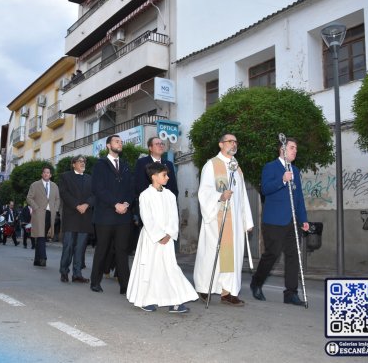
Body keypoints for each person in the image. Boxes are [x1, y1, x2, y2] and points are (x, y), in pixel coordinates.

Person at [127, 163, 198, 313]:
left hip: (167, 239)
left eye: (167, 174)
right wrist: (159, 235)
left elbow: (174, 217)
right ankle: (145, 299)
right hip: (151, 239)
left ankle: (175, 301)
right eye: (164, 175)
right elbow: (147, 218)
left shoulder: (170, 195)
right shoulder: (145, 195)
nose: (168, 177)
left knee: (169, 268)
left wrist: (169, 234)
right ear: (154, 177)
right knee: (150, 269)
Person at [193, 134, 253, 306]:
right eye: (230, 141)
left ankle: (228, 292)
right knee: (212, 255)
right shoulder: (211, 165)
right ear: (221, 144)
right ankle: (205, 288)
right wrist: (220, 196)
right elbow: (203, 193)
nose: (234, 144)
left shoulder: (237, 167)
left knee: (231, 257)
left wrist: (247, 221)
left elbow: (243, 196)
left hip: (234, 223)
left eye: (236, 141)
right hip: (216, 219)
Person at [250, 137, 309, 306]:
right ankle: (257, 282)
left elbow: (299, 197)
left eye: (296, 148)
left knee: (293, 256)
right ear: (282, 149)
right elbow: (265, 189)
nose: (295, 151)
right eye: (292, 147)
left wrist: (303, 219)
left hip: (292, 221)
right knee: (272, 254)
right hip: (274, 221)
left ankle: (290, 293)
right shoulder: (270, 167)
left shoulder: (296, 171)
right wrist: (283, 180)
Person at [90, 135, 133, 294]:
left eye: (121, 142)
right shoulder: (100, 165)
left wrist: (126, 204)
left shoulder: (126, 165)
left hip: (123, 216)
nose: (120, 143)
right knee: (102, 248)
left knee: (122, 251)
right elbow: (98, 189)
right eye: (116, 141)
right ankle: (95, 281)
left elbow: (131, 188)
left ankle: (125, 285)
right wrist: (115, 204)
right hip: (105, 215)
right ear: (108, 145)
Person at [133, 137, 179, 252]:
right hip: (150, 210)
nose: (161, 145)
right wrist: (154, 199)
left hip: (166, 212)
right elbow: (138, 186)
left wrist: (168, 202)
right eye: (157, 144)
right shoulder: (142, 163)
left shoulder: (168, 163)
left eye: (162, 143)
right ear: (150, 148)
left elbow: (173, 187)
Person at [58, 155, 95, 284]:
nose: (83, 163)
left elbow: (94, 194)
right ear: (73, 164)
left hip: (85, 216)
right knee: (68, 246)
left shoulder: (90, 178)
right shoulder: (65, 176)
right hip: (71, 216)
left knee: (80, 248)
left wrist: (86, 205)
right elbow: (64, 193)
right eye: (80, 161)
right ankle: (64, 272)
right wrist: (77, 205)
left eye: (84, 161)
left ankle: (77, 274)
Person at [26, 165, 60, 267]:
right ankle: (43, 258)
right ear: (42, 174)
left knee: (43, 236)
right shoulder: (35, 185)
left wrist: (56, 208)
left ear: (51, 175)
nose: (46, 174)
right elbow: (29, 198)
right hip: (39, 213)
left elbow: (58, 199)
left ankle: (37, 260)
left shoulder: (54, 186)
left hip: (50, 213)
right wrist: (36, 208)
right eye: (44, 172)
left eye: (48, 172)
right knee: (41, 236)